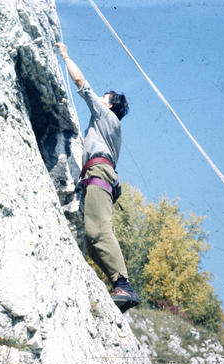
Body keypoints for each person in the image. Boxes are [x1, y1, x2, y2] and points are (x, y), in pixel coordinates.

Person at [55, 42, 140, 313]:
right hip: (99, 175)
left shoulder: (107, 116)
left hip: (98, 174)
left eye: (105, 99)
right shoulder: (106, 129)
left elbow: (81, 84)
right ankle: (119, 286)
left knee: (98, 231)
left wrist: (66, 56)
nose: (100, 101)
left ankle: (123, 285)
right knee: (92, 243)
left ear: (111, 105)